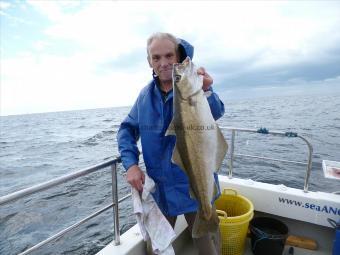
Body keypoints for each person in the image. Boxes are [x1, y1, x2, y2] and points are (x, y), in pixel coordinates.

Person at [117, 32, 225, 255]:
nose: (163, 63)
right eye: (156, 58)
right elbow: (126, 130)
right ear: (149, 62)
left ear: (179, 57)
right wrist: (131, 164)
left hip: (195, 186)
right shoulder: (144, 96)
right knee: (155, 249)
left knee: (209, 248)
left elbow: (216, 112)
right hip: (161, 190)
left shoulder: (194, 87)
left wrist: (206, 90)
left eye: (169, 55)